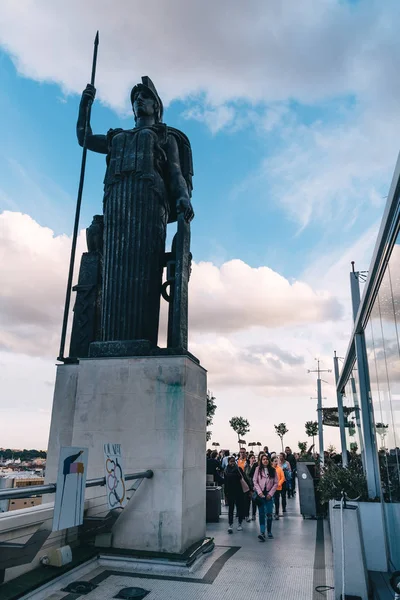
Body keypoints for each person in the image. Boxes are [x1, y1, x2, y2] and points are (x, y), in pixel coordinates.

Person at [253, 454, 278, 540]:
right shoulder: (258, 469)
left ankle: (269, 531)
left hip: (269, 494)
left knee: (269, 513)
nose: (265, 460)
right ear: (261, 460)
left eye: (266, 459)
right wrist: (259, 492)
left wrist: (270, 494)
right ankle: (262, 532)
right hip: (260, 494)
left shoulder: (273, 470)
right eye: (263, 459)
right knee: (261, 513)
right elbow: (255, 481)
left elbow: (276, 483)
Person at [224, 456, 250, 533]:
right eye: (230, 461)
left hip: (239, 492)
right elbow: (225, 483)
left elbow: (244, 478)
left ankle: (239, 523)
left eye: (233, 461)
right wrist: (225, 493)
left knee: (240, 508)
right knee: (231, 509)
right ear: (228, 462)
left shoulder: (239, 470)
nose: (232, 463)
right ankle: (230, 524)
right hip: (230, 492)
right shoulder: (226, 470)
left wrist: (250, 489)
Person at [244, 454, 258, 522]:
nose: (253, 459)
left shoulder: (256, 467)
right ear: (249, 459)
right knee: (247, 501)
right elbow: (245, 475)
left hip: (254, 486)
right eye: (252, 458)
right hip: (247, 486)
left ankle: (253, 515)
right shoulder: (246, 466)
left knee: (254, 501)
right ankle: (246, 515)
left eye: (254, 458)